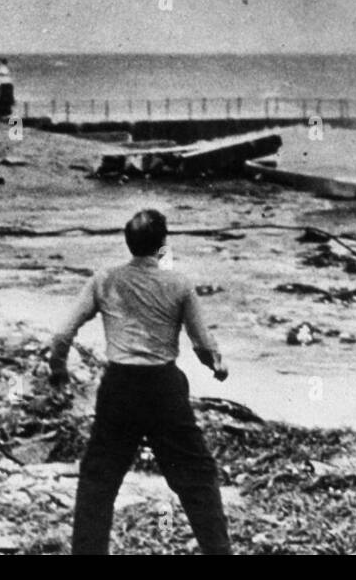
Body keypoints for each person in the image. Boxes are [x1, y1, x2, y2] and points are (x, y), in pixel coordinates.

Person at [48, 208, 232, 555]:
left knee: (98, 480)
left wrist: (58, 370)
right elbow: (202, 344)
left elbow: (61, 333)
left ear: (128, 243)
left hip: (120, 386)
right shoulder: (178, 283)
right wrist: (216, 366)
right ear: (162, 245)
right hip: (164, 388)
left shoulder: (105, 279)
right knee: (197, 476)